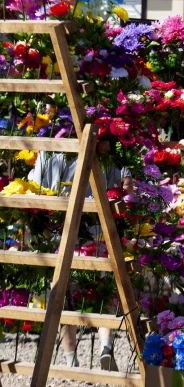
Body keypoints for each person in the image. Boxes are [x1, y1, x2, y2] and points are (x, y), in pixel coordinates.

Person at [28, 152, 132, 370]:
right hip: (97, 232)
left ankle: (70, 360)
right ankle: (106, 346)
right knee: (104, 293)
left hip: (62, 232)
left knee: (65, 297)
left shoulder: (50, 150)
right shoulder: (106, 148)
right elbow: (126, 186)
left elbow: (34, 188)